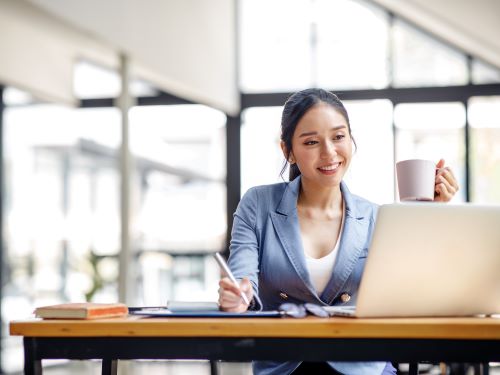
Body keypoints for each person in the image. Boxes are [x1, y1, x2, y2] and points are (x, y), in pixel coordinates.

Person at [218, 88, 459, 375]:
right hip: (285, 366)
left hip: (363, 366)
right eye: (311, 142)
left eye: (339, 137)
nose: (329, 152)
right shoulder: (258, 204)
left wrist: (434, 216)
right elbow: (244, 283)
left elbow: (413, 293)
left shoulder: (376, 217)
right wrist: (238, 297)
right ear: (288, 151)